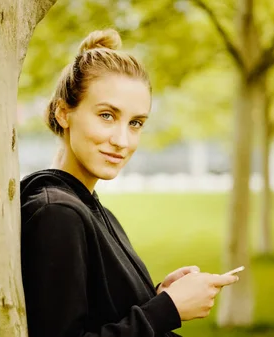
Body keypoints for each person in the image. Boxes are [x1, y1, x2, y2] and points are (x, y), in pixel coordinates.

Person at [19, 28, 239, 337]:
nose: (122, 140)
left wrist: (160, 294)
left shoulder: (89, 207)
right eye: (107, 115)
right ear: (63, 113)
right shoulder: (57, 213)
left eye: (135, 123)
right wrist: (167, 310)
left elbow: (98, 312)